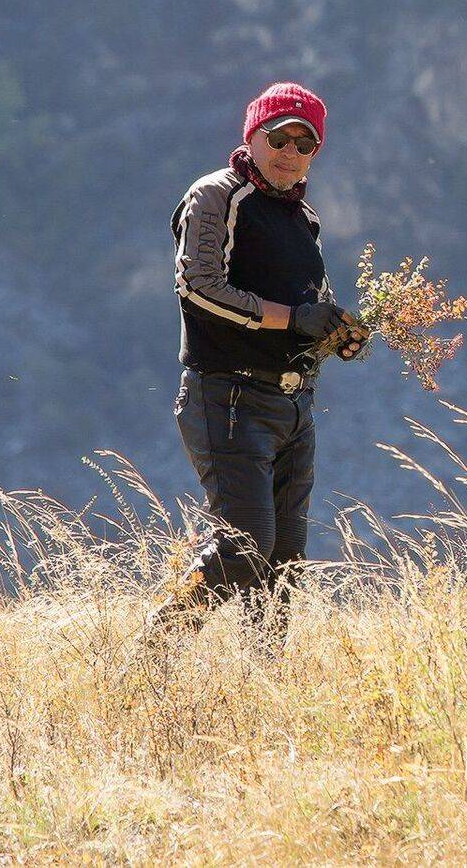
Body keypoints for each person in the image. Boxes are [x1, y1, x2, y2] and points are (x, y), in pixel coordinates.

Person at [142, 81, 365, 652]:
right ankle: (155, 646)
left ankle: (264, 685)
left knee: (285, 563)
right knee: (246, 548)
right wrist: (295, 320)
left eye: (304, 142)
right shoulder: (216, 195)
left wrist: (335, 334)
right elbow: (198, 287)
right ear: (252, 135)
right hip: (227, 396)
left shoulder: (303, 219)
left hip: (294, 405)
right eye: (278, 137)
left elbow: (306, 307)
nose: (289, 152)